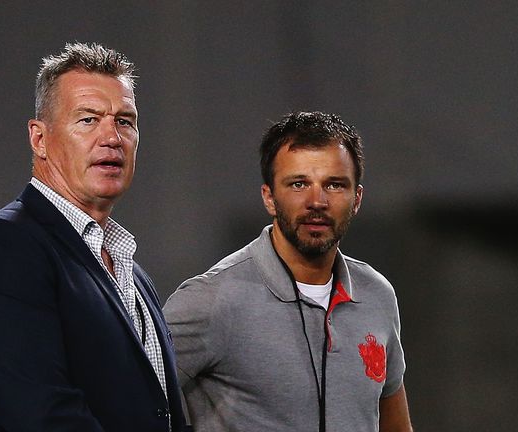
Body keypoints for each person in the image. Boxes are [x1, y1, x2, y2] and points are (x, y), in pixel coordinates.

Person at [0, 42, 186, 432]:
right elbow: (42, 416)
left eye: (125, 121)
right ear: (39, 139)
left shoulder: (132, 272)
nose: (112, 137)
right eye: (88, 120)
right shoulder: (3, 247)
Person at [163, 111, 413, 432]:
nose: (317, 201)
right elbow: (122, 397)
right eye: (298, 184)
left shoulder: (376, 294)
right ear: (269, 197)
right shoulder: (212, 299)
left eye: (334, 185)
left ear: (357, 199)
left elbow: (395, 425)